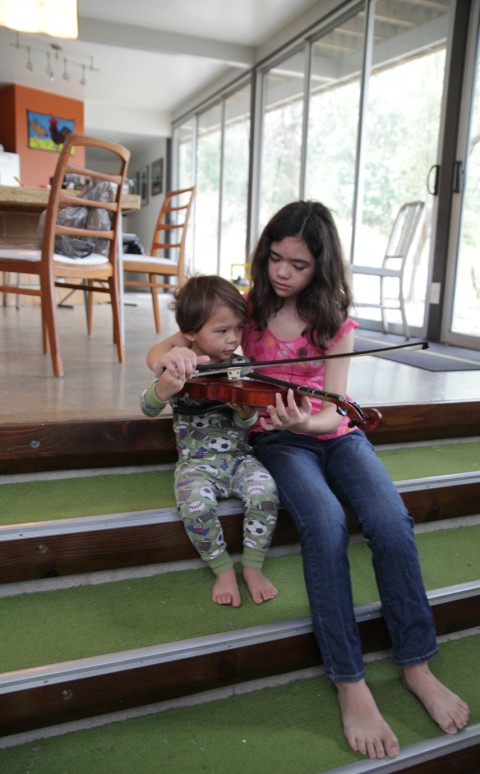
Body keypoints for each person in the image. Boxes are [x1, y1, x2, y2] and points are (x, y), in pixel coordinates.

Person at [146, 202, 469, 760]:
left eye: (298, 265)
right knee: (324, 523)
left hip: (331, 433)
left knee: (391, 521)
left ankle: (416, 664)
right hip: (278, 439)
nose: (282, 272)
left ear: (321, 266)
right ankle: (349, 680)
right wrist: (173, 355)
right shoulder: (246, 309)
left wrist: (306, 420)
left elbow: (333, 411)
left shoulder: (335, 321)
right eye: (275, 258)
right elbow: (160, 350)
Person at [141, 275, 279, 609]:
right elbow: (147, 407)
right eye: (221, 331)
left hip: (239, 458)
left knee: (266, 491)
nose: (233, 339)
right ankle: (222, 569)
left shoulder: (241, 367)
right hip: (196, 465)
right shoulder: (179, 365)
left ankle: (252, 565)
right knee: (195, 506)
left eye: (238, 328)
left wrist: (245, 413)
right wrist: (164, 388)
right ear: (190, 332)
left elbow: (245, 423)